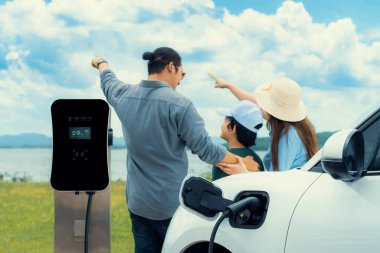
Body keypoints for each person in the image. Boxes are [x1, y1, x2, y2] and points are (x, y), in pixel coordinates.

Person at [91, 47, 257, 253]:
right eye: (182, 72)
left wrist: (101, 63)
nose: (182, 77)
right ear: (171, 67)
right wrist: (240, 162)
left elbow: (108, 80)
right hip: (169, 207)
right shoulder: (181, 105)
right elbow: (206, 150)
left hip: (138, 204)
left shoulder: (124, 96)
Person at [209, 73, 318, 172]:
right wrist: (229, 86)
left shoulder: (287, 137)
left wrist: (244, 173)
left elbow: (276, 181)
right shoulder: (294, 126)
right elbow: (254, 103)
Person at [212, 100, 265, 180]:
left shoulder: (224, 161)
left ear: (232, 128)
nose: (221, 124)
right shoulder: (256, 159)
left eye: (225, 120)